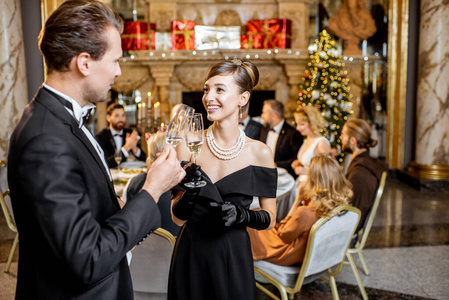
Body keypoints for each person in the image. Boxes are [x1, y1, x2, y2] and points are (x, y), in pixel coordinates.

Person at [7, 1, 184, 299]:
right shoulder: (45, 141)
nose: (118, 72)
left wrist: (108, 208)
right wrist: (152, 190)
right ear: (85, 63)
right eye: (115, 60)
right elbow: (87, 259)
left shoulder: (60, 119)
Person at [168, 60, 277, 300]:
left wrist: (243, 216)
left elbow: (269, 219)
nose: (209, 97)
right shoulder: (189, 144)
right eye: (207, 89)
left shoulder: (260, 152)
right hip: (192, 250)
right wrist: (190, 195)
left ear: (242, 98)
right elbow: (176, 217)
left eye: (219, 89)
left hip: (233, 254)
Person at [248, 154, 353, 266]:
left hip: (287, 253)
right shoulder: (337, 207)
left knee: (251, 223)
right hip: (306, 252)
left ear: (314, 182)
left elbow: (283, 235)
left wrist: (298, 201)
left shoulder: (305, 213)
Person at [123, 131, 181, 236]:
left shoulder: (133, 183)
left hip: (139, 249)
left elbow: (126, 221)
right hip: (174, 249)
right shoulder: (184, 187)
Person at [341, 118, 387, 232]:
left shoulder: (359, 173)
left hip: (347, 229)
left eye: (343, 134)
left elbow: (350, 210)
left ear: (352, 140)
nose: (341, 138)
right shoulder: (363, 162)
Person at [260, 99, 303, 177]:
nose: (262, 116)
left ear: (273, 115)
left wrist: (276, 165)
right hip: (263, 175)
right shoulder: (263, 130)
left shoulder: (293, 134)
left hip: (284, 178)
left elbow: (297, 159)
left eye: (264, 113)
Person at [96, 102, 146, 168]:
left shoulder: (130, 133)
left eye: (123, 115)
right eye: (117, 116)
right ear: (108, 118)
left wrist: (135, 149)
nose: (121, 119)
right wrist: (127, 147)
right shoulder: (101, 136)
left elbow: (144, 158)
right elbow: (105, 163)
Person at [291, 106, 333, 183]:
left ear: (312, 123)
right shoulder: (307, 139)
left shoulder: (321, 143)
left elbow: (330, 170)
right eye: (297, 124)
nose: (298, 128)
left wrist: (308, 171)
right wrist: (299, 162)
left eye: (302, 124)